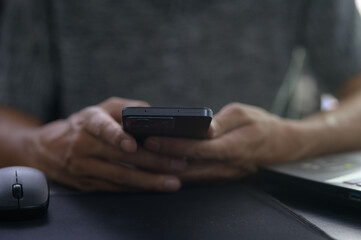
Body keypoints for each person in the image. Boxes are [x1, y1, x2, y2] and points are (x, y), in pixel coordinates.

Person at [1, 0, 361, 192]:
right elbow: (7, 114)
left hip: (256, 201)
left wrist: (292, 140)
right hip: (88, 199)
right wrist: (44, 148)